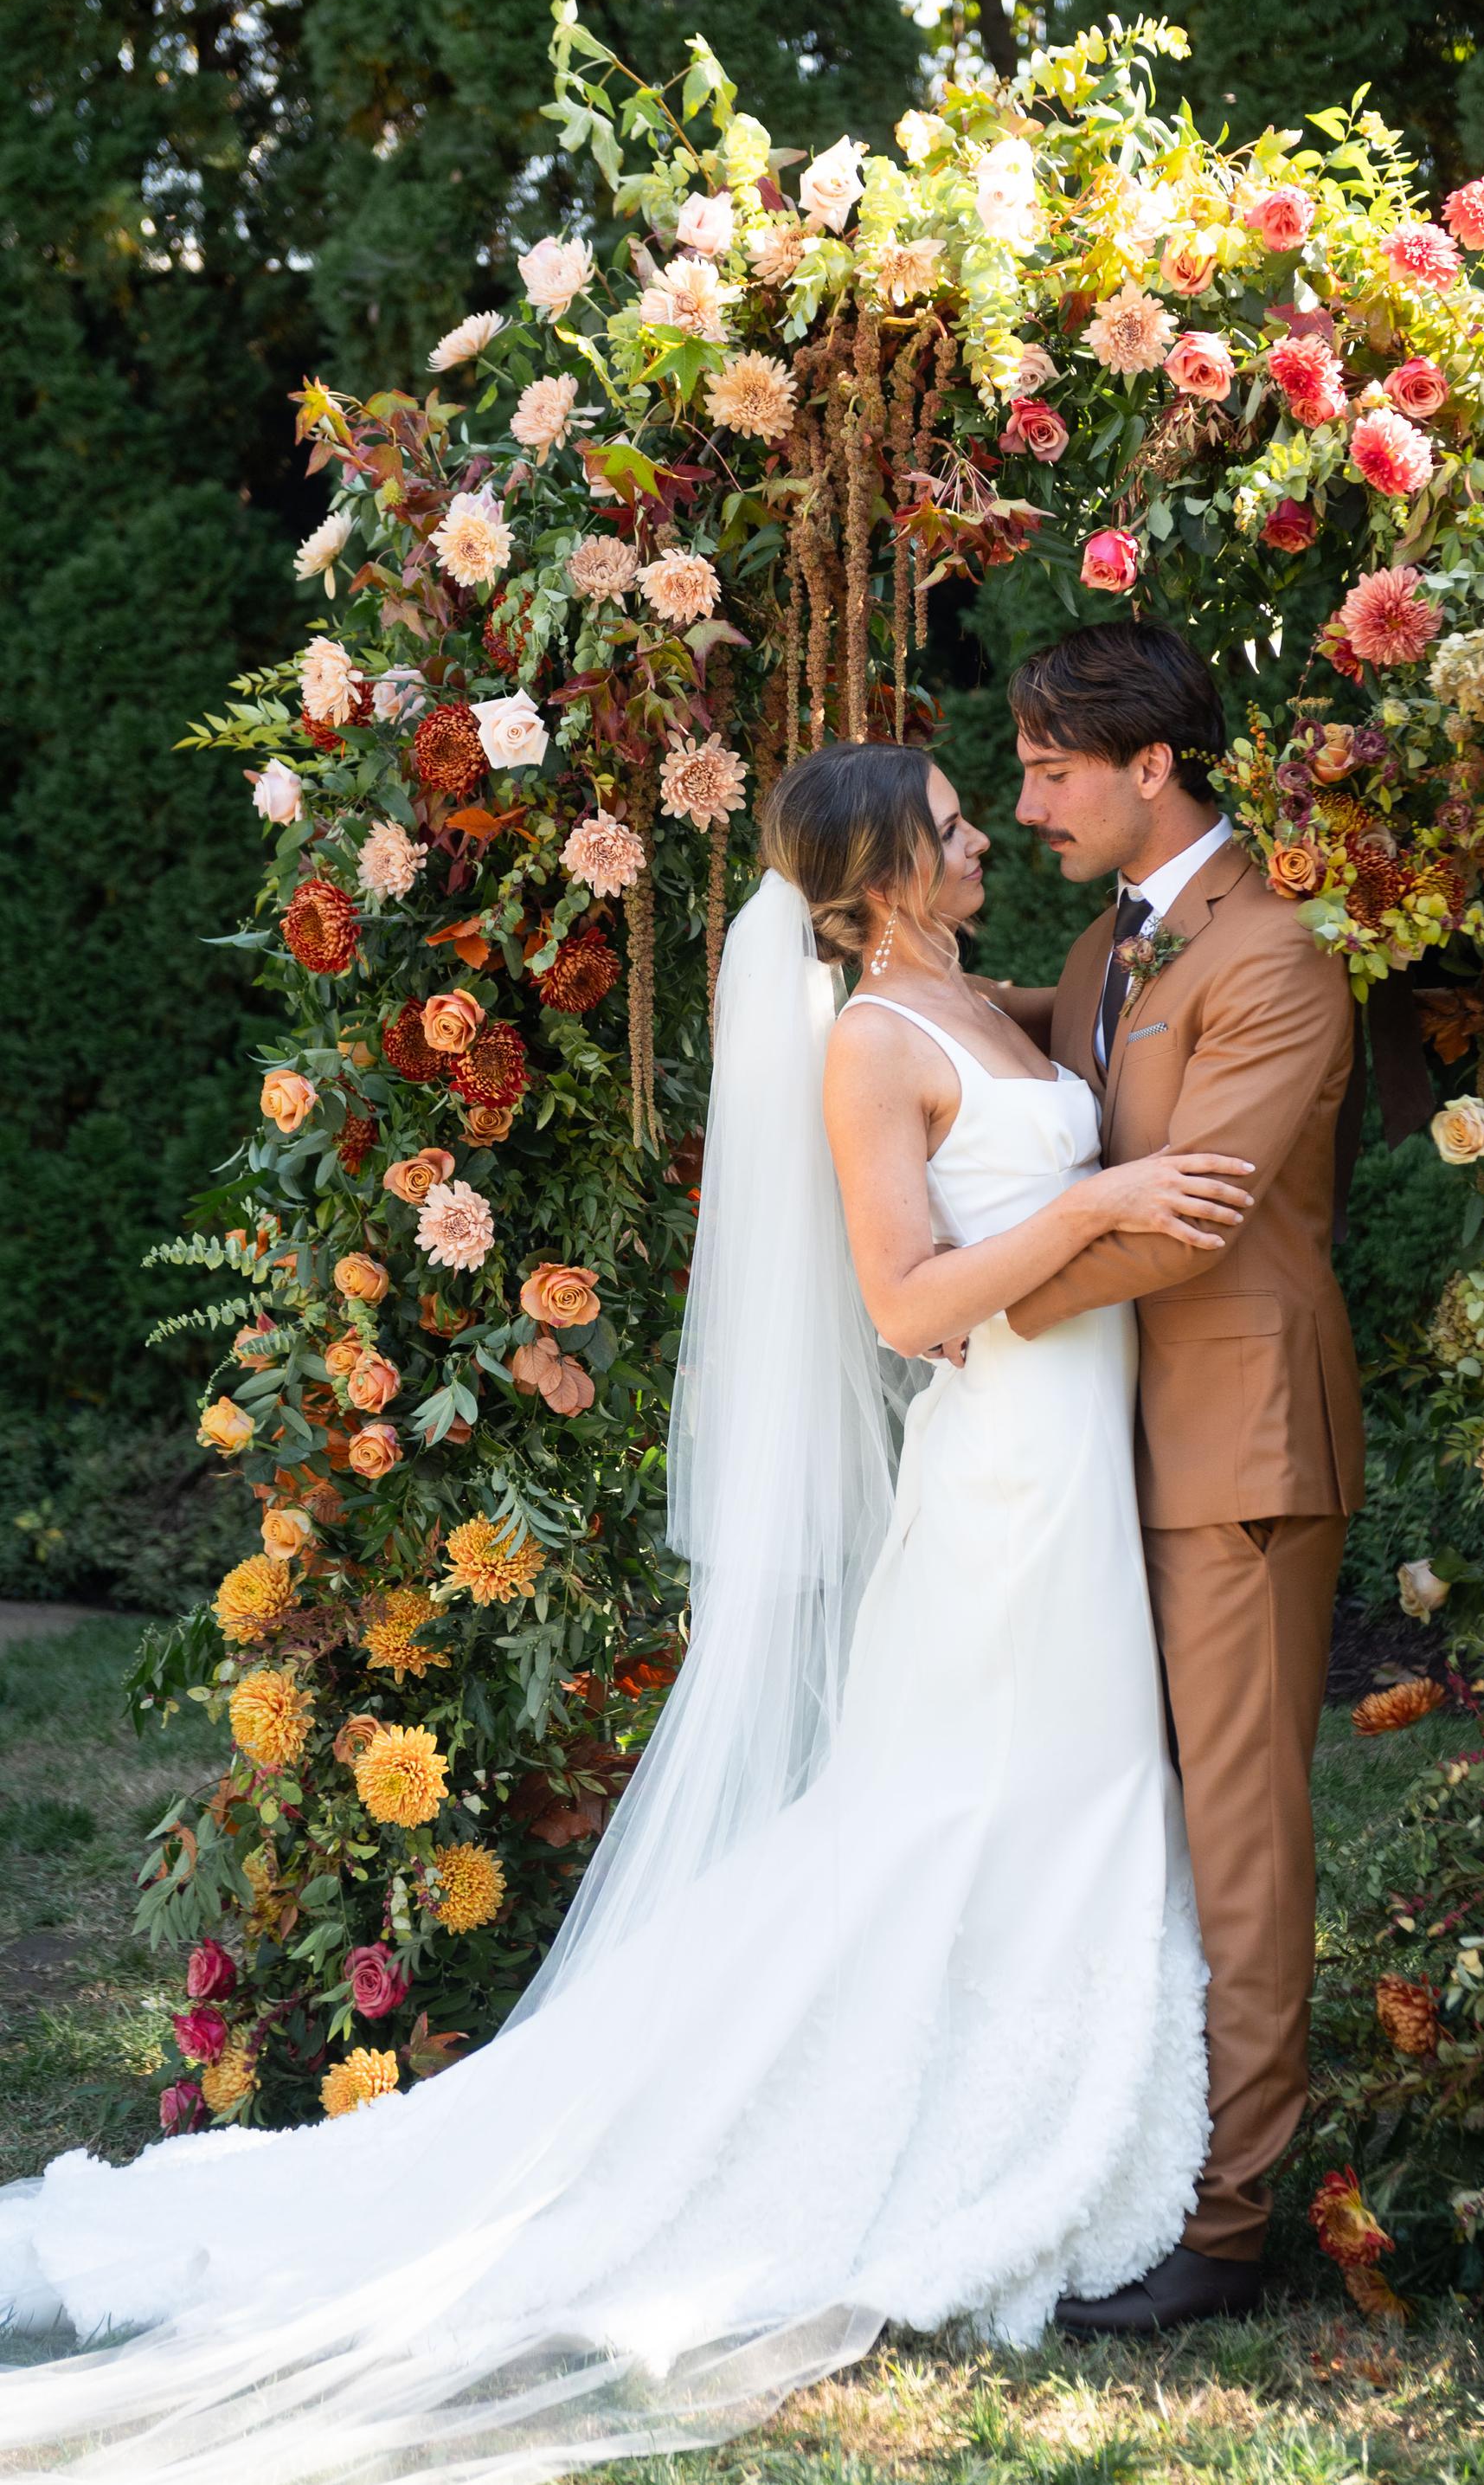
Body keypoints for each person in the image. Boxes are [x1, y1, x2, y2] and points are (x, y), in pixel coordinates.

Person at [0, 737, 1252, 2483]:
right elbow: (904, 1300)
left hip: (1070, 1459)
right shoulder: (875, 1045)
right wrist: (1100, 1200)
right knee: (988, 1796)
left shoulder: (976, 1002)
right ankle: (937, 2129)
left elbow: (1119, 1025)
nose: (986, 841)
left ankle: (1060, 2105)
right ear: (886, 870)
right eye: (957, 828)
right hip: (1004, 1486)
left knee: (1056, 1789)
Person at [999, 619, 1364, 2332]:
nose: (1024, 803)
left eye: (1050, 769)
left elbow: (1191, 1205)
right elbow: (1026, 1082)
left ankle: (1227, 2224)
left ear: (1153, 766)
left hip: (1237, 1441)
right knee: (1107, 1819)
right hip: (1102, 1448)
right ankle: (1121, 2155)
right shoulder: (1098, 948)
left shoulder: (1274, 959)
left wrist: (973, 1313)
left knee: (1237, 1837)